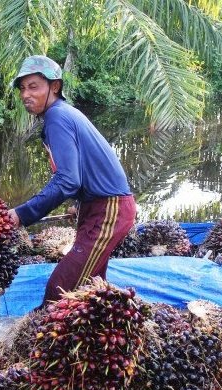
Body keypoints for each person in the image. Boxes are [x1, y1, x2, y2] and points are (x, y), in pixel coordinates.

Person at [7, 55, 136, 305]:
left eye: (34, 86)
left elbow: (67, 180)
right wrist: (81, 202)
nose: (25, 94)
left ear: (54, 87)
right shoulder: (61, 115)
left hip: (110, 210)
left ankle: (43, 339)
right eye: (22, 88)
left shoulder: (58, 117)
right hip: (97, 206)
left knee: (60, 290)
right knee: (90, 290)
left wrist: (22, 214)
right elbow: (83, 171)